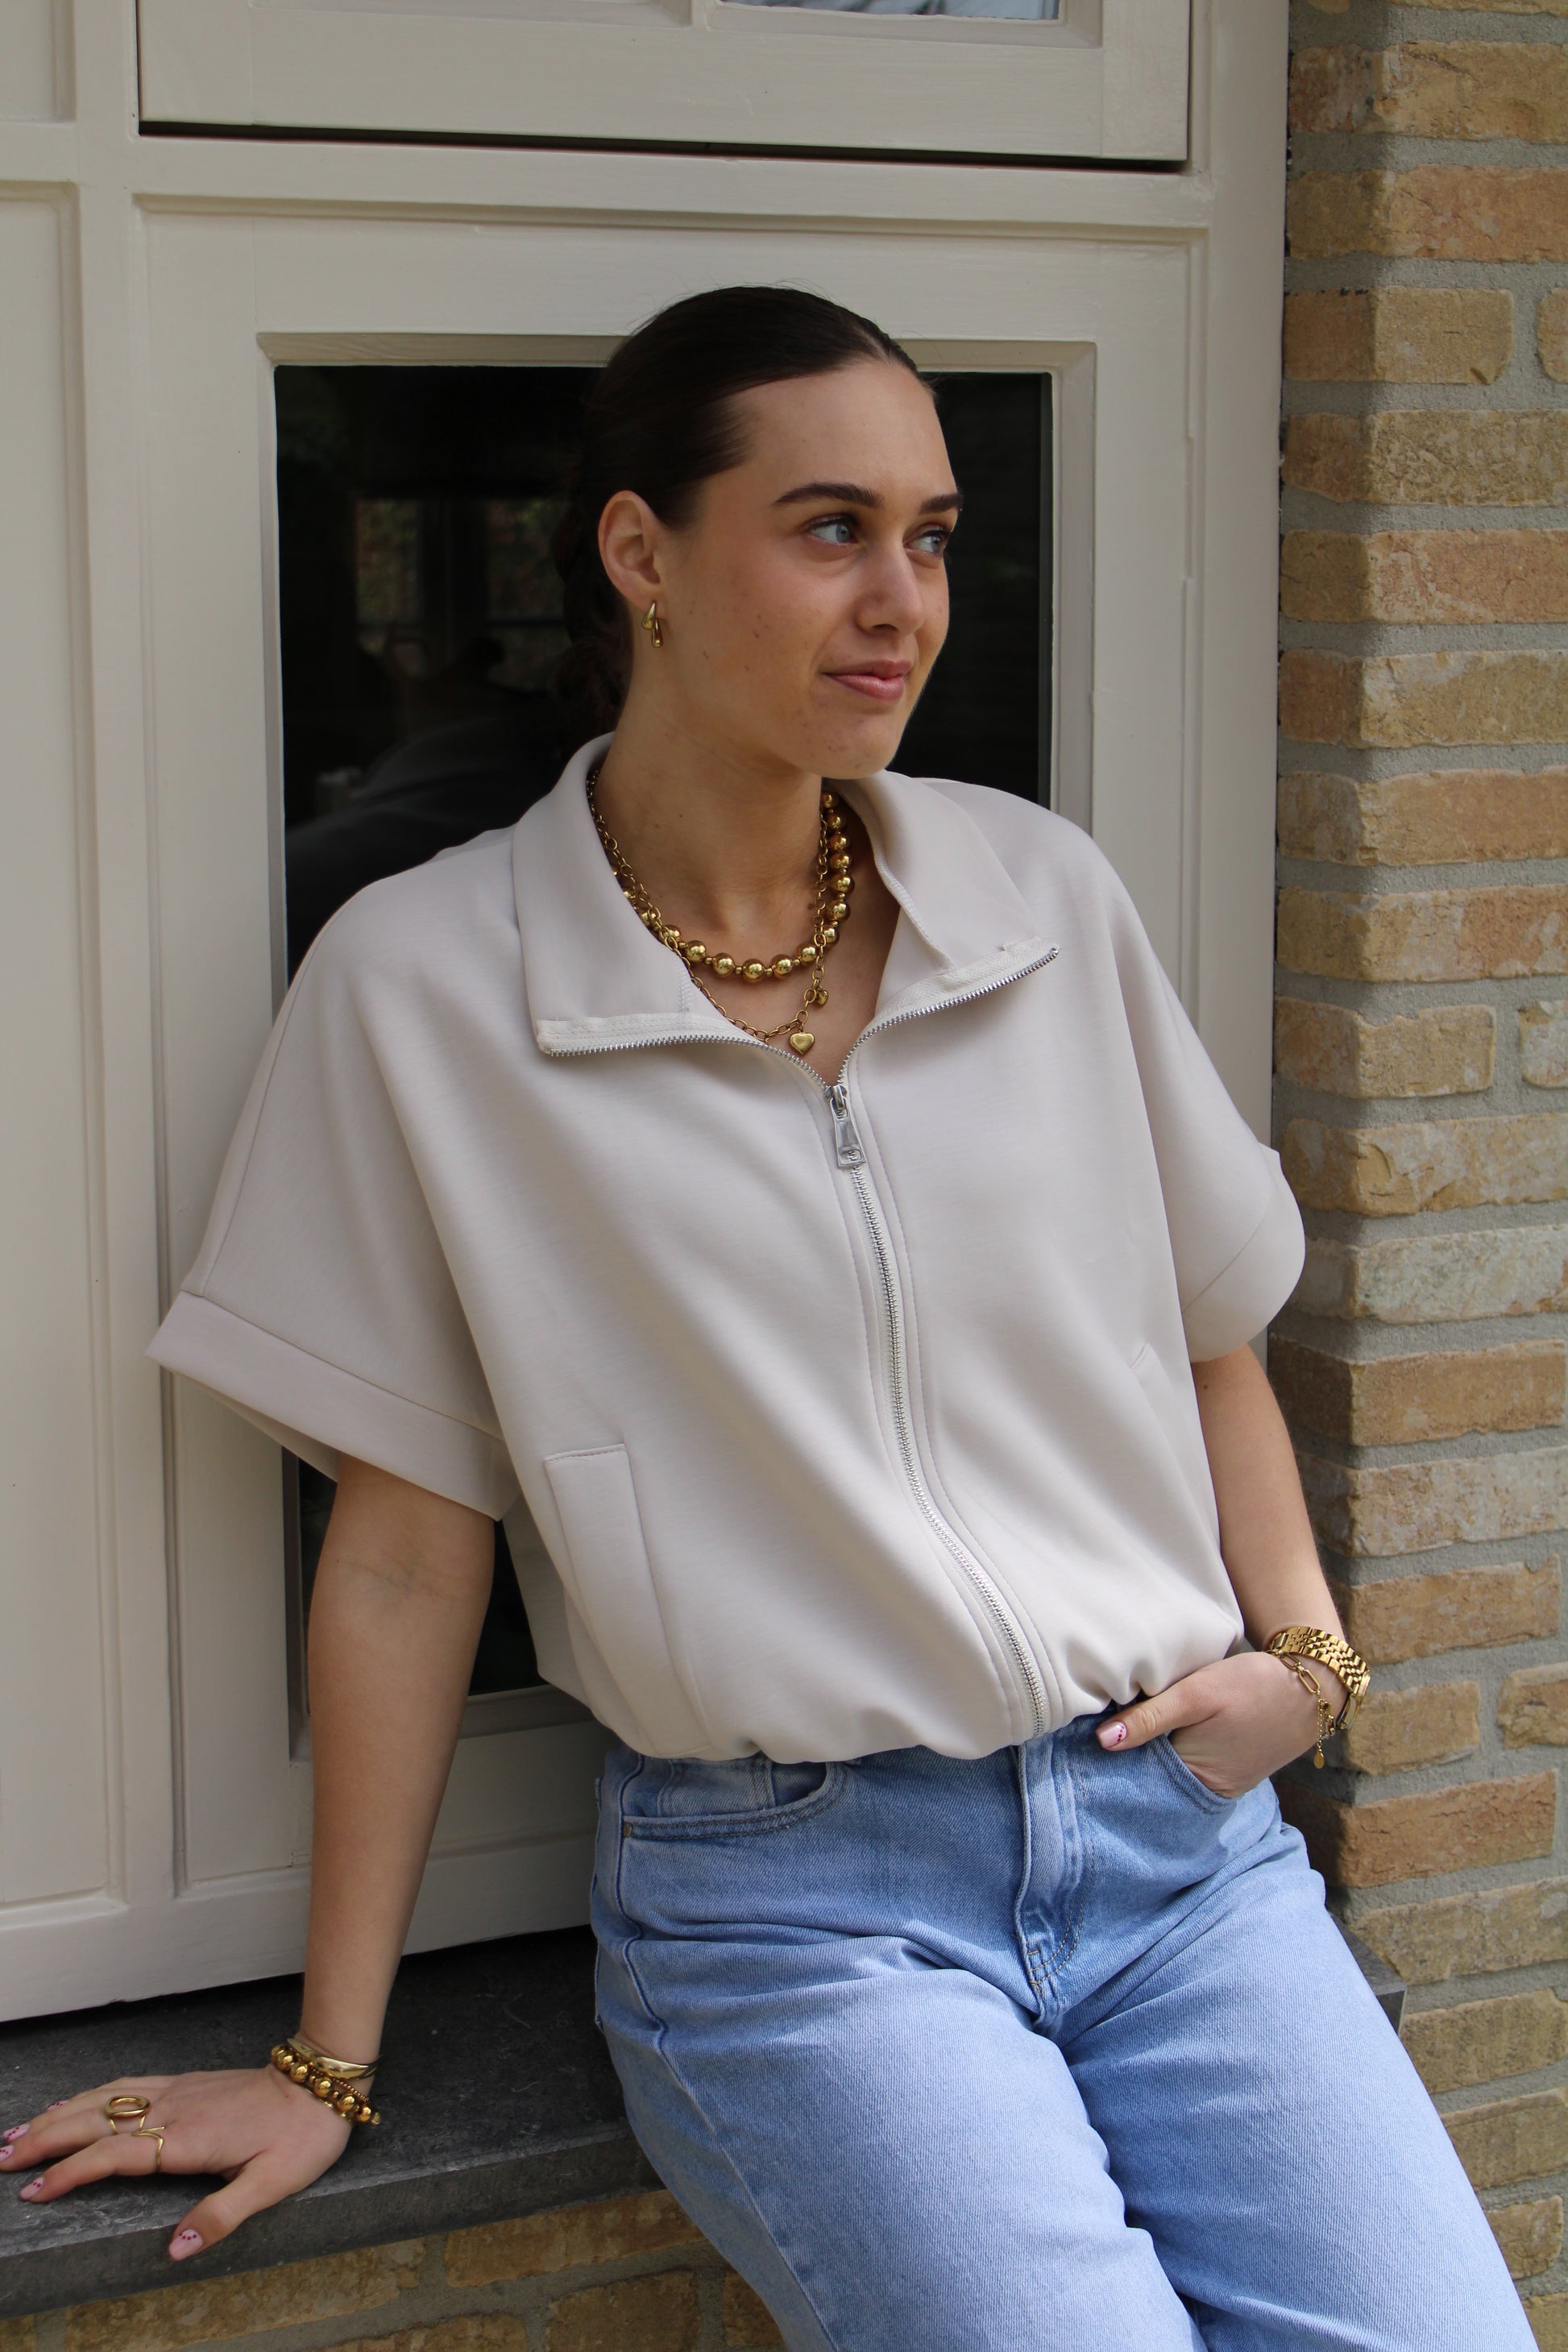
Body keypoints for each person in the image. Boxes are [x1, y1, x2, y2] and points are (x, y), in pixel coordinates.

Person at [2, 288, 1530, 2350]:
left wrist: (1306, 1658)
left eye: (932, 534)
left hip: (1178, 1846)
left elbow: (1205, 1335)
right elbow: (403, 1549)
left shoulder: (1039, 900)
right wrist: (324, 2056)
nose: (902, 600)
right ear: (640, 550)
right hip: (798, 1909)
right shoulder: (427, 982)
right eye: (829, 528)